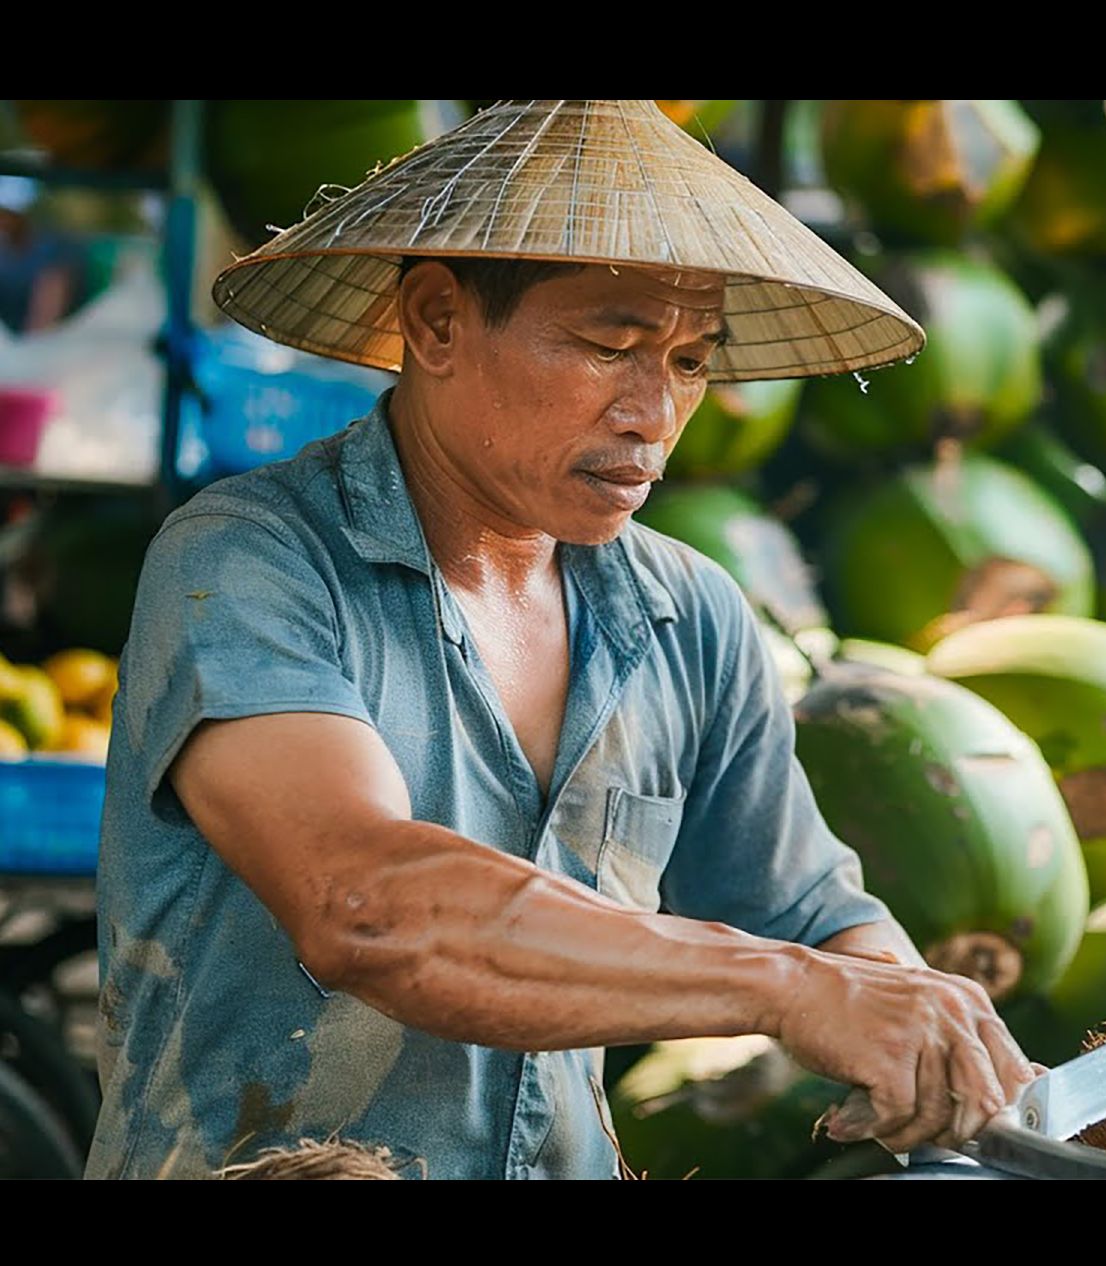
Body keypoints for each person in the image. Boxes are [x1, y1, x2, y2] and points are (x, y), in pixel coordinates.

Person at [86, 100, 1036, 1180]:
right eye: (609, 345)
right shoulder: (248, 562)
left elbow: (813, 915)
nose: (654, 412)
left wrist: (922, 1030)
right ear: (437, 322)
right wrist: (787, 988)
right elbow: (363, 903)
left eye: (689, 361)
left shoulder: (692, 616)